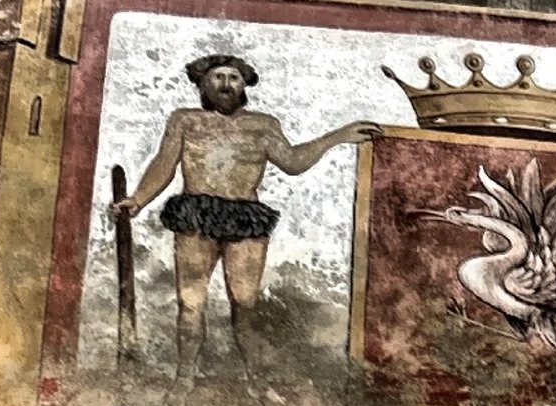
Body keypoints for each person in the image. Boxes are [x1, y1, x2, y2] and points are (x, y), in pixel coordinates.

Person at [117, 50, 375, 377]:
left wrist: (336, 137)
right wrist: (137, 200)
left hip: (245, 219)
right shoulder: (185, 120)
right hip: (196, 214)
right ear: (203, 83)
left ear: (243, 84)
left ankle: (255, 379)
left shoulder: (262, 125)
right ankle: (184, 379)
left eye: (233, 78)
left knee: (245, 304)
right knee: (191, 302)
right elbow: (164, 164)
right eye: (218, 77)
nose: (226, 84)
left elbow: (292, 162)